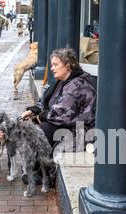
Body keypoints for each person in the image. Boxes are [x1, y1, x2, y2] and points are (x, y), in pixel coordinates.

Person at [21, 47, 96, 183]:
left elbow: (59, 115)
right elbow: (48, 103)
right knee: (33, 127)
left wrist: (39, 117)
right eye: (52, 65)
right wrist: (34, 110)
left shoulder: (78, 85)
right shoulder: (64, 81)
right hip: (67, 125)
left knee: (41, 130)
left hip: (81, 131)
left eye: (56, 65)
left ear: (68, 65)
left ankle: (45, 174)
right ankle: (36, 167)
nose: (52, 68)